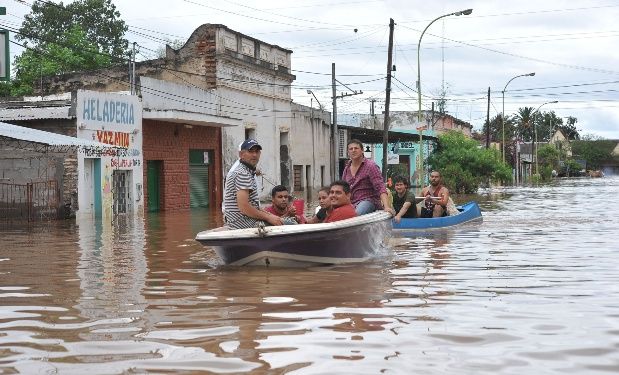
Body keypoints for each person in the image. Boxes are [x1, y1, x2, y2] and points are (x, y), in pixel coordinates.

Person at [223, 139, 283, 229]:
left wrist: (268, 214)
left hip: (243, 221)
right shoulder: (242, 173)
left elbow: (252, 204)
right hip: (243, 223)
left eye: (257, 151)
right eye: (250, 151)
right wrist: (268, 217)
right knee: (292, 223)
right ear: (241, 155)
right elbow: (244, 207)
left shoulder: (246, 171)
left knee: (283, 219)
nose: (254, 155)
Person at [341, 139, 395, 216]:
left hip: (368, 201)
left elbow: (380, 186)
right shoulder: (347, 168)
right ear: (348, 152)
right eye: (351, 149)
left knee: (357, 214)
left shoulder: (371, 166)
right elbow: (343, 188)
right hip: (351, 202)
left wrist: (387, 207)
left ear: (362, 150)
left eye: (356, 148)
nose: (353, 150)